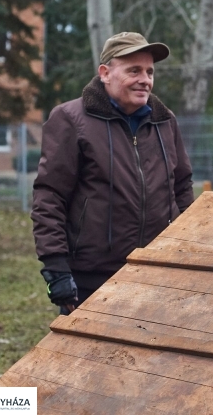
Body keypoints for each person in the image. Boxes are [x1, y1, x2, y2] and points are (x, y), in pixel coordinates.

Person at [32, 32, 194, 315]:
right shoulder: (71, 119)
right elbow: (50, 195)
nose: (145, 79)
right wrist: (56, 267)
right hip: (92, 278)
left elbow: (182, 187)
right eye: (134, 70)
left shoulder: (164, 121)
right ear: (105, 73)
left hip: (158, 272)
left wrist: (188, 249)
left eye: (149, 71)